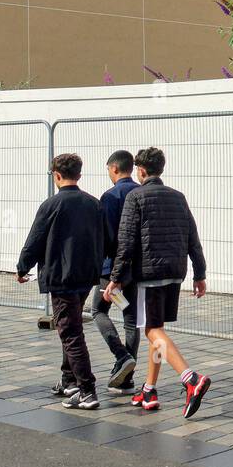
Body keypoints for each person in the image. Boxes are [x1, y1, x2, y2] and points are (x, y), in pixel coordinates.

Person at [103, 147, 211, 418]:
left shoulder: (135, 197)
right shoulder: (178, 197)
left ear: (140, 170)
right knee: (156, 330)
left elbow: (126, 242)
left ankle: (190, 378)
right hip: (175, 272)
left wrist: (114, 279)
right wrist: (200, 274)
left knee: (152, 331)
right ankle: (149, 389)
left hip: (148, 275)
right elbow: (192, 237)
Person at [17, 153, 106, 410]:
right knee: (72, 325)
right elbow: (105, 238)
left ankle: (87, 390)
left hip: (61, 276)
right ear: (79, 174)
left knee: (70, 332)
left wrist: (23, 267)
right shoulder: (93, 204)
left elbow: (35, 239)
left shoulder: (51, 205)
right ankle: (69, 380)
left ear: (56, 175)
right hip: (86, 275)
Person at [92, 150, 140, 395]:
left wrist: (110, 272)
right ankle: (127, 378)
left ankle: (121, 356)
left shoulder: (110, 196)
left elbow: (108, 235)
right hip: (136, 268)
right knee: (131, 319)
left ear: (113, 168)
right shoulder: (140, 192)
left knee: (98, 310)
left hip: (112, 268)